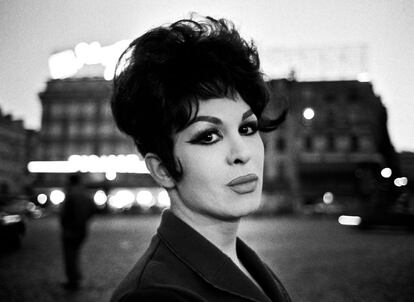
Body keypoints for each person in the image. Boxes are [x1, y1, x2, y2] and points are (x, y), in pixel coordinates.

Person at [110, 16, 291, 302]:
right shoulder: (155, 296)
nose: (242, 153)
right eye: (208, 136)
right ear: (163, 170)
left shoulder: (245, 262)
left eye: (247, 128)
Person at [60, 173, 96, 290]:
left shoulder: (70, 194)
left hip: (70, 230)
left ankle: (73, 280)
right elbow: (93, 209)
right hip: (82, 229)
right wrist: (85, 220)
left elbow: (65, 214)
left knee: (70, 256)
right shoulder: (85, 194)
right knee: (75, 255)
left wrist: (65, 224)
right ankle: (76, 277)